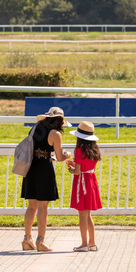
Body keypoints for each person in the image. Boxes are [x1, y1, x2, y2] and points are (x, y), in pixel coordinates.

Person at [21, 107, 72, 252]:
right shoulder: (55, 134)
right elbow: (60, 157)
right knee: (43, 207)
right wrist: (67, 154)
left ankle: (27, 239)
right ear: (59, 121)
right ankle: (40, 241)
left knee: (31, 206)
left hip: (30, 168)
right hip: (44, 170)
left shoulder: (35, 128)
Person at [66, 121, 102, 252]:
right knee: (88, 215)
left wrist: (71, 168)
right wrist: (76, 165)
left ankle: (84, 244)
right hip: (91, 181)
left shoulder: (80, 151)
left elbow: (77, 172)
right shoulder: (94, 150)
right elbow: (86, 167)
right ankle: (92, 243)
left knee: (82, 215)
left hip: (82, 183)